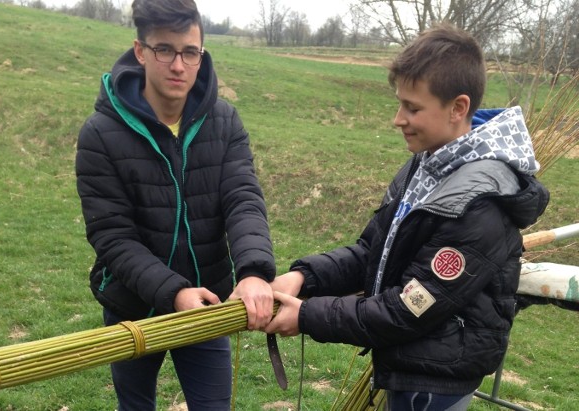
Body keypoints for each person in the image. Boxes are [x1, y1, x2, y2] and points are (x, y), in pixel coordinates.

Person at [265, 24, 549, 410]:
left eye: (413, 108)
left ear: (458, 108)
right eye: (400, 104)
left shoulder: (481, 202)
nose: (398, 119)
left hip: (434, 383)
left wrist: (309, 316)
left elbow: (410, 307)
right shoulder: (427, 165)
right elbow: (373, 251)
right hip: (411, 363)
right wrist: (304, 276)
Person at [75, 0, 276, 409]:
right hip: (133, 306)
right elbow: (111, 234)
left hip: (207, 307)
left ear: (202, 52)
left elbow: (243, 199)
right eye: (164, 50)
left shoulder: (224, 121)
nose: (178, 66)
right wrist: (174, 292)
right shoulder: (100, 133)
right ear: (140, 51)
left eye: (190, 52)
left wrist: (254, 272)